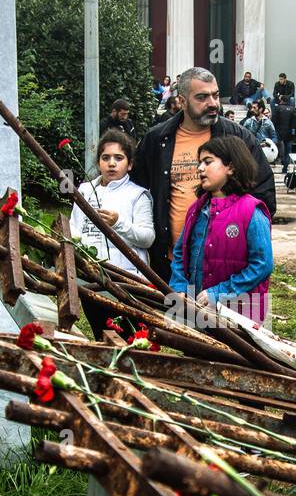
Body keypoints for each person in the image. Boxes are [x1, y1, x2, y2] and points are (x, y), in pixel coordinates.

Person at [132, 66, 276, 280]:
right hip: (171, 267)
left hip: (225, 269)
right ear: (182, 101)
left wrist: (234, 236)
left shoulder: (238, 138)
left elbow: (264, 195)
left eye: (215, 95)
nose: (213, 103)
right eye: (202, 97)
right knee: (177, 314)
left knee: (221, 315)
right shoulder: (156, 139)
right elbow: (136, 192)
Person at [169, 135, 273, 322]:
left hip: (240, 314)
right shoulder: (196, 209)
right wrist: (179, 286)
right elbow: (180, 252)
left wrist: (220, 292)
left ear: (231, 167)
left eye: (208, 162)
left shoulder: (252, 211)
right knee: (196, 350)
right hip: (197, 309)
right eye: (199, 162)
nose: (200, 168)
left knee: (231, 352)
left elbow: (263, 265)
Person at [72, 129, 155, 278]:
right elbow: (74, 228)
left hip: (126, 279)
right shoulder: (84, 191)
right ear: (98, 163)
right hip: (89, 275)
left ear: (129, 164)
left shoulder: (138, 195)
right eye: (105, 158)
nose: (111, 164)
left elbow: (147, 238)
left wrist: (118, 223)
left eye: (118, 158)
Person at [271, 94, 296, 172]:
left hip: (279, 132)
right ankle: (285, 167)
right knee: (288, 151)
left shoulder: (278, 108)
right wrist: (295, 135)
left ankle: (278, 161)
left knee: (279, 147)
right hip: (290, 133)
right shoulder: (293, 109)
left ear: (281, 100)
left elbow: (274, 120)